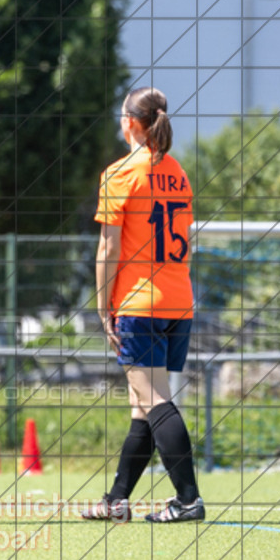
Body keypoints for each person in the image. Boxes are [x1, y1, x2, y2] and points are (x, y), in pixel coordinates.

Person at [84, 86, 205, 523]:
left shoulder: (120, 173)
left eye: (122, 115)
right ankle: (117, 499)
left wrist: (102, 307)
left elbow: (107, 249)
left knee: (154, 400)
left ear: (132, 123)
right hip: (178, 299)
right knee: (143, 405)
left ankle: (188, 498)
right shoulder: (179, 172)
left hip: (140, 302)